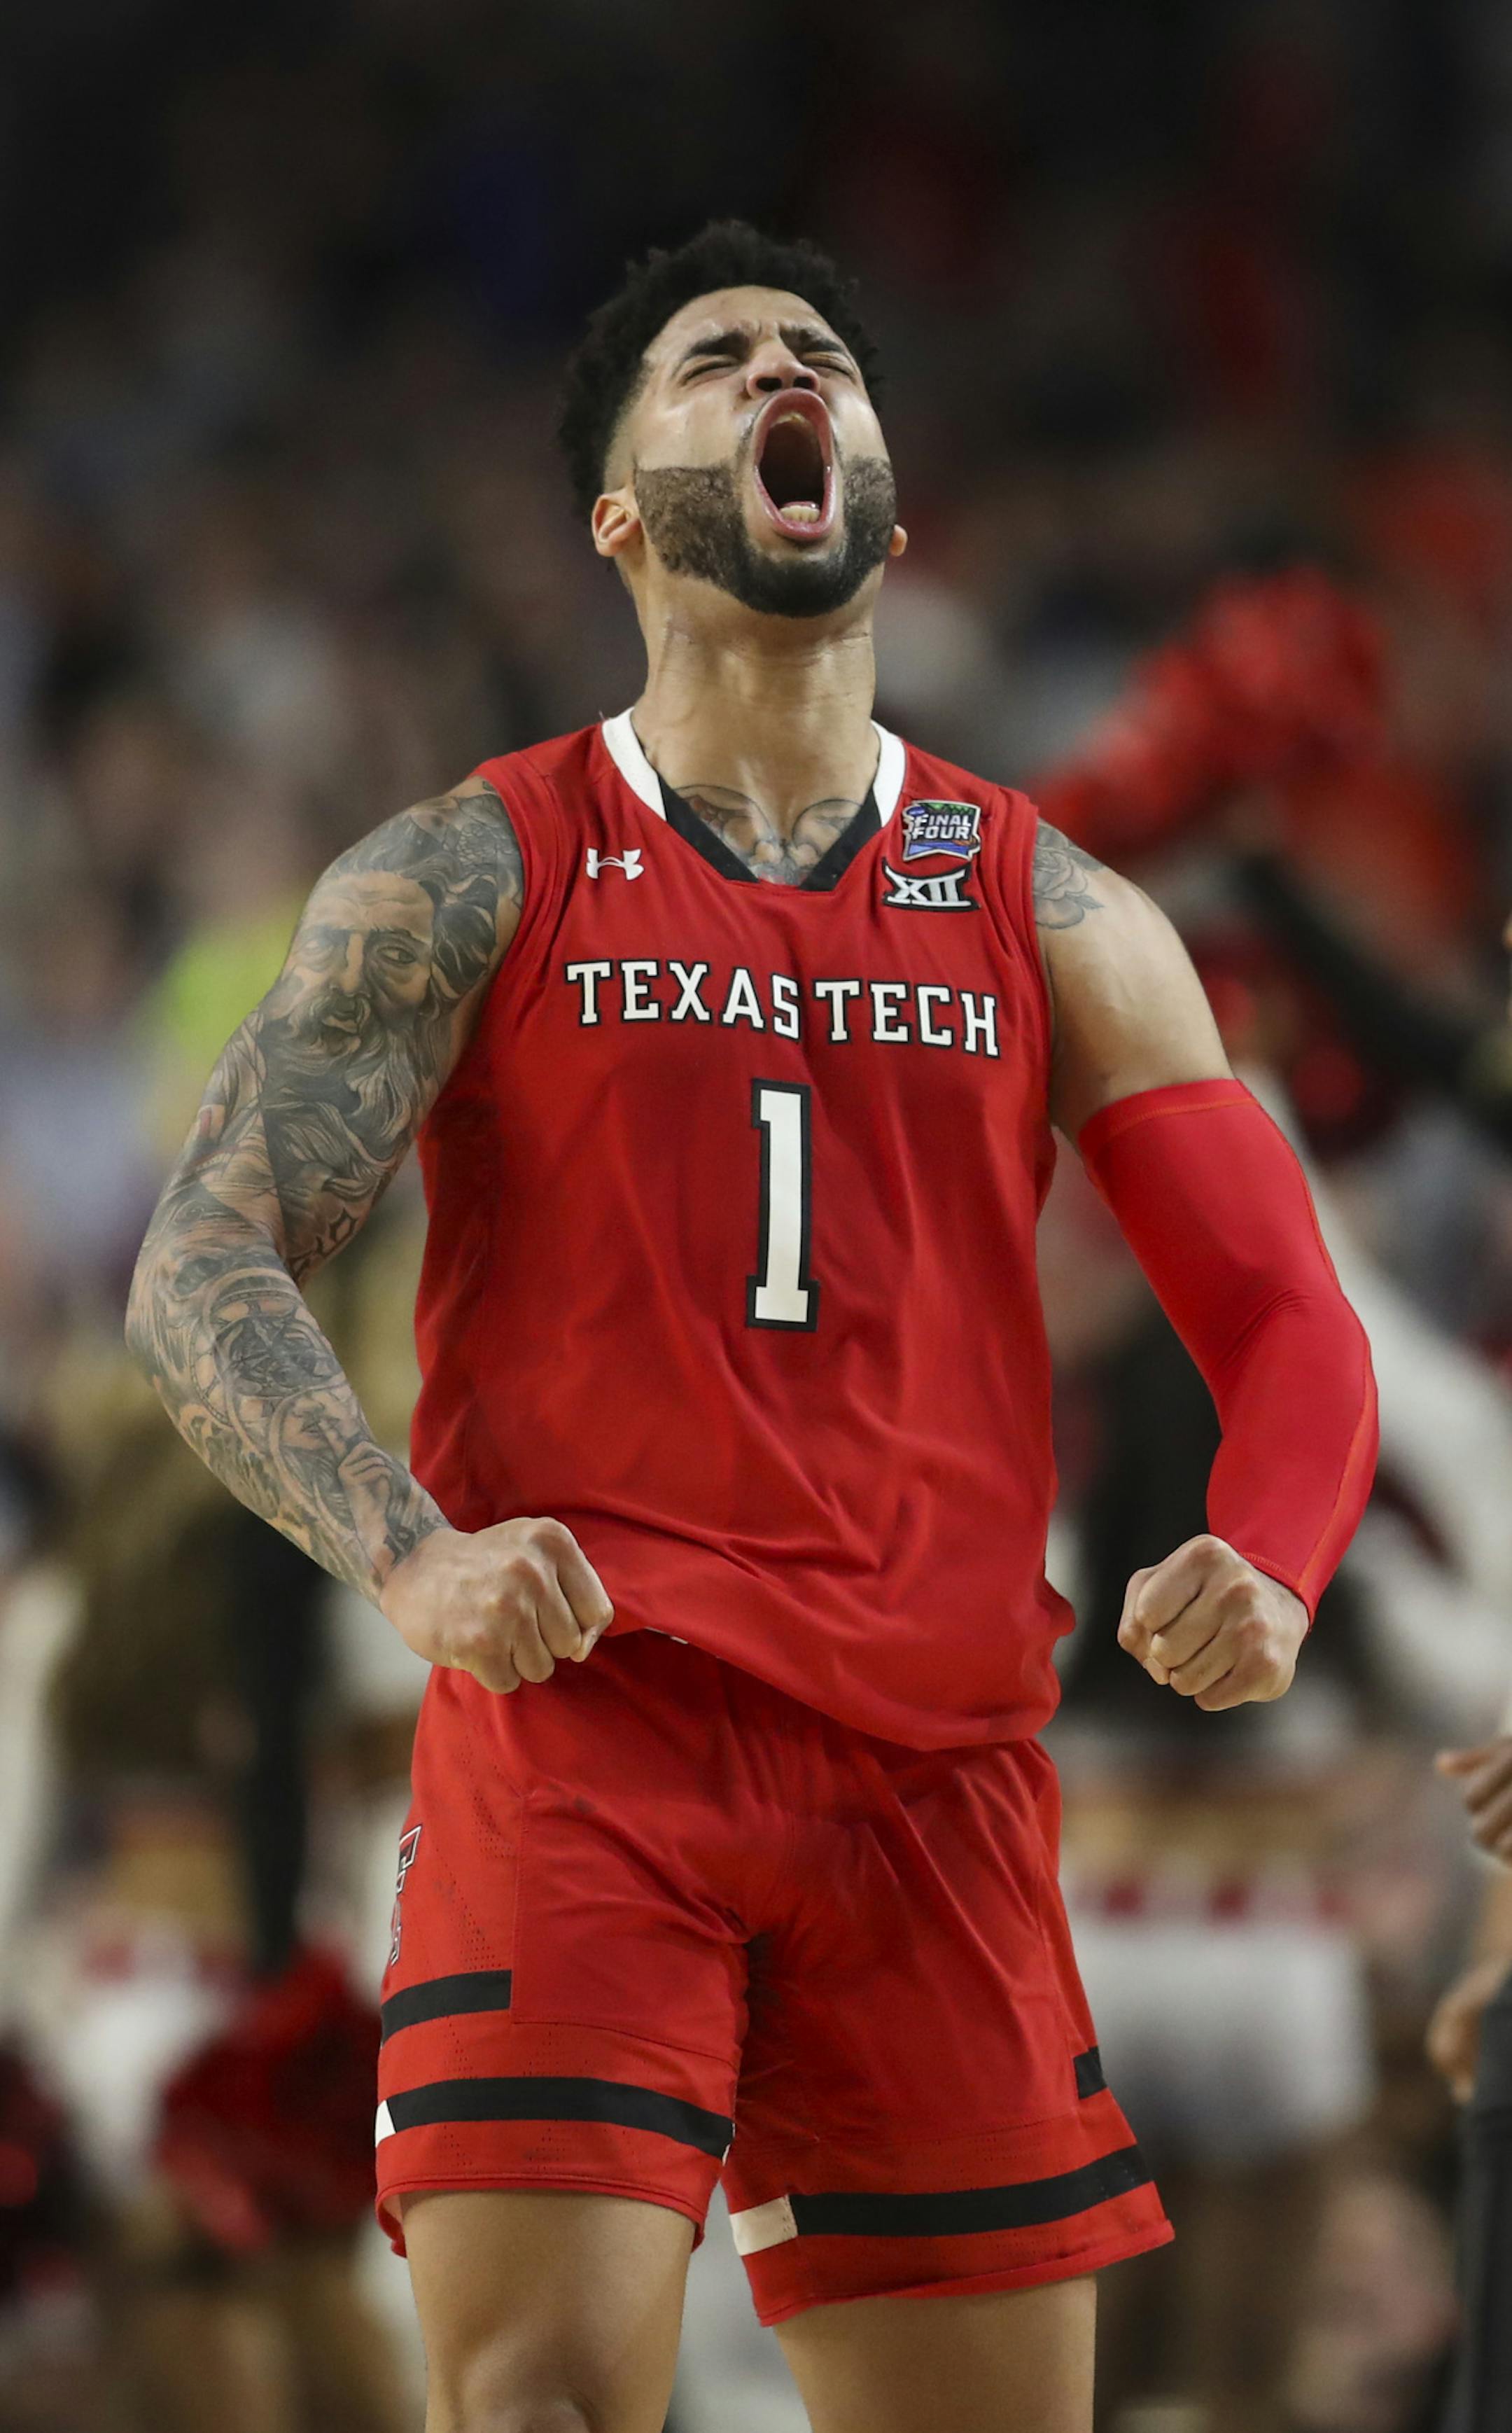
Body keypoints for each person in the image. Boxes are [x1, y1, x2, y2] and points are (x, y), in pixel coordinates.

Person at [125, 222, 1378, 2433]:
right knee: (542, 2412)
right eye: (717, 359)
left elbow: (1286, 1311)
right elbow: (200, 1260)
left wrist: (1271, 1551)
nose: (787, 369)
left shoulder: (1053, 902)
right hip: (591, 1734)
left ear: (880, 476)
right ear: (624, 509)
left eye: (822, 354)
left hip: (942, 1783)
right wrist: (410, 1550)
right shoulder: (474, 866)